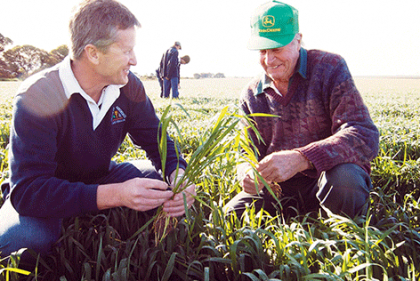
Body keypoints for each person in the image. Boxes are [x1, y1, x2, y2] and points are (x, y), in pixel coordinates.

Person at [0, 0, 195, 259]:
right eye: (126, 51)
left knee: (158, 185)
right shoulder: (38, 95)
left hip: (100, 176)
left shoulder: (129, 86)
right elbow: (29, 191)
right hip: (46, 189)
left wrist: (177, 172)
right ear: (93, 53)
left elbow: (157, 139)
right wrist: (115, 194)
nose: (134, 60)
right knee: (25, 241)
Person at [224, 0, 379, 220]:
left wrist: (301, 158)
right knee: (232, 215)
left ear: (298, 40)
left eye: (277, 48)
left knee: (345, 180)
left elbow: (364, 135)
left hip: (327, 178)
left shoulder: (329, 68)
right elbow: (245, 153)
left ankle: (344, 236)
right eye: (262, 50)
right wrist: (246, 173)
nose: (269, 60)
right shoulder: (251, 94)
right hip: (279, 188)